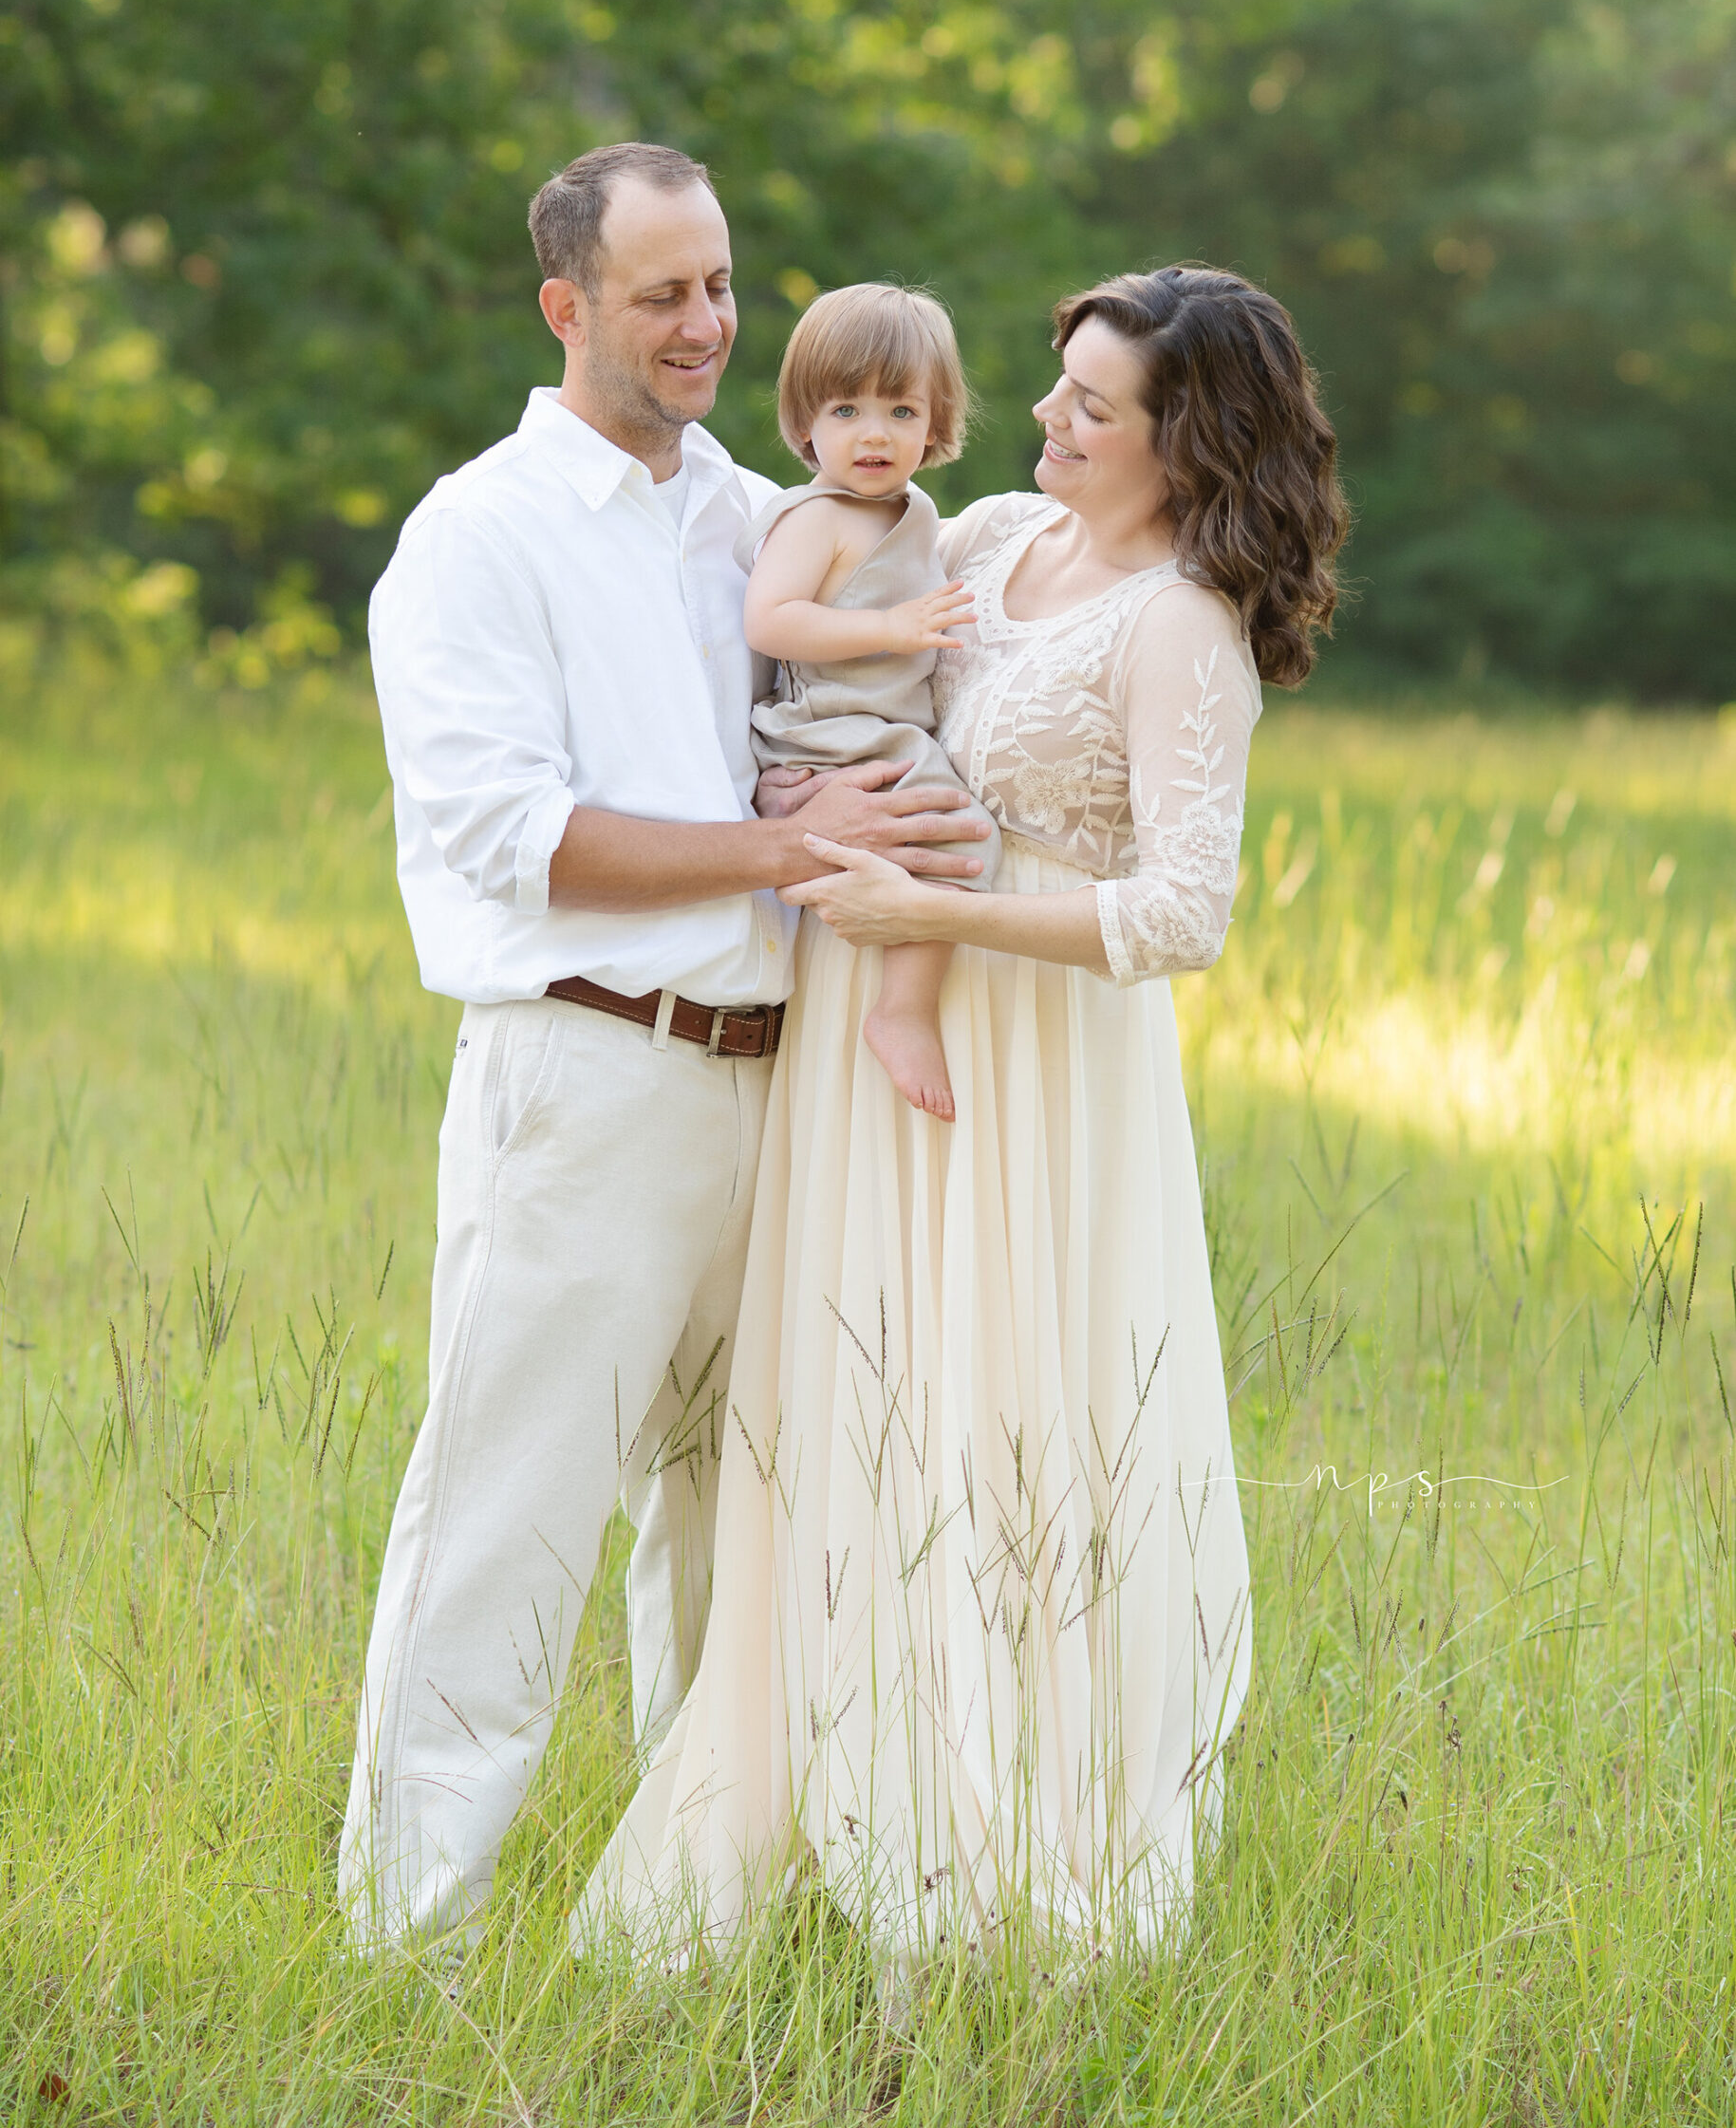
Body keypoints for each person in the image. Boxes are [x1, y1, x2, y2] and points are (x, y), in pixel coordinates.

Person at [578, 266, 1349, 2001]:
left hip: (1028, 1058)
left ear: (1188, 443)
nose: (1043, 424)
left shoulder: (1180, 625)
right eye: (1053, 389)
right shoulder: (990, 533)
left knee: (997, 1413)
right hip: (870, 1008)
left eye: (1091, 409)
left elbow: (1178, 917)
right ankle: (807, 1780)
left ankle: (995, 1830)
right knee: (847, 1396)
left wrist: (944, 919)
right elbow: (828, 662)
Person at [339, 141, 992, 1955]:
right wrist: (799, 845)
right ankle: (413, 1939)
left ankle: (689, 1919)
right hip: (589, 1075)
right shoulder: (477, 534)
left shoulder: (754, 513)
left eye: (718, 285)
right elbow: (511, 837)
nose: (707, 323)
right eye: (662, 295)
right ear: (567, 308)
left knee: (736, 1517)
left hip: (782, 1078)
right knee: (510, 1513)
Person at [738, 282, 1000, 1123]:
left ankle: (901, 987)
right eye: (845, 409)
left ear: (937, 424)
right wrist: (889, 624)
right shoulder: (819, 517)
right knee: (959, 833)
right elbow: (771, 620)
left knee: (940, 828)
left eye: (900, 409)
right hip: (831, 730)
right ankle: (903, 1009)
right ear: (803, 424)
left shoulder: (913, 510)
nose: (874, 433)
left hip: (877, 727)